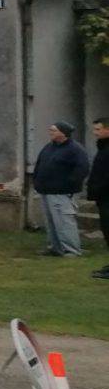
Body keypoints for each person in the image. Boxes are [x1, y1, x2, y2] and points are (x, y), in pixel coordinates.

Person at [33, 121, 90, 257]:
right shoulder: (49, 147)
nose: (50, 132)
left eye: (54, 130)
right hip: (46, 191)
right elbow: (40, 163)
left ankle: (71, 250)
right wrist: (37, 181)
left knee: (64, 221)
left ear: (63, 133)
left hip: (62, 192)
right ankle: (55, 247)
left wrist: (69, 184)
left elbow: (82, 169)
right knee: (51, 222)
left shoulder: (75, 149)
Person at [88, 119, 109, 279]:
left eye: (98, 129)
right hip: (103, 197)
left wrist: (98, 188)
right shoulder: (103, 147)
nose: (95, 132)